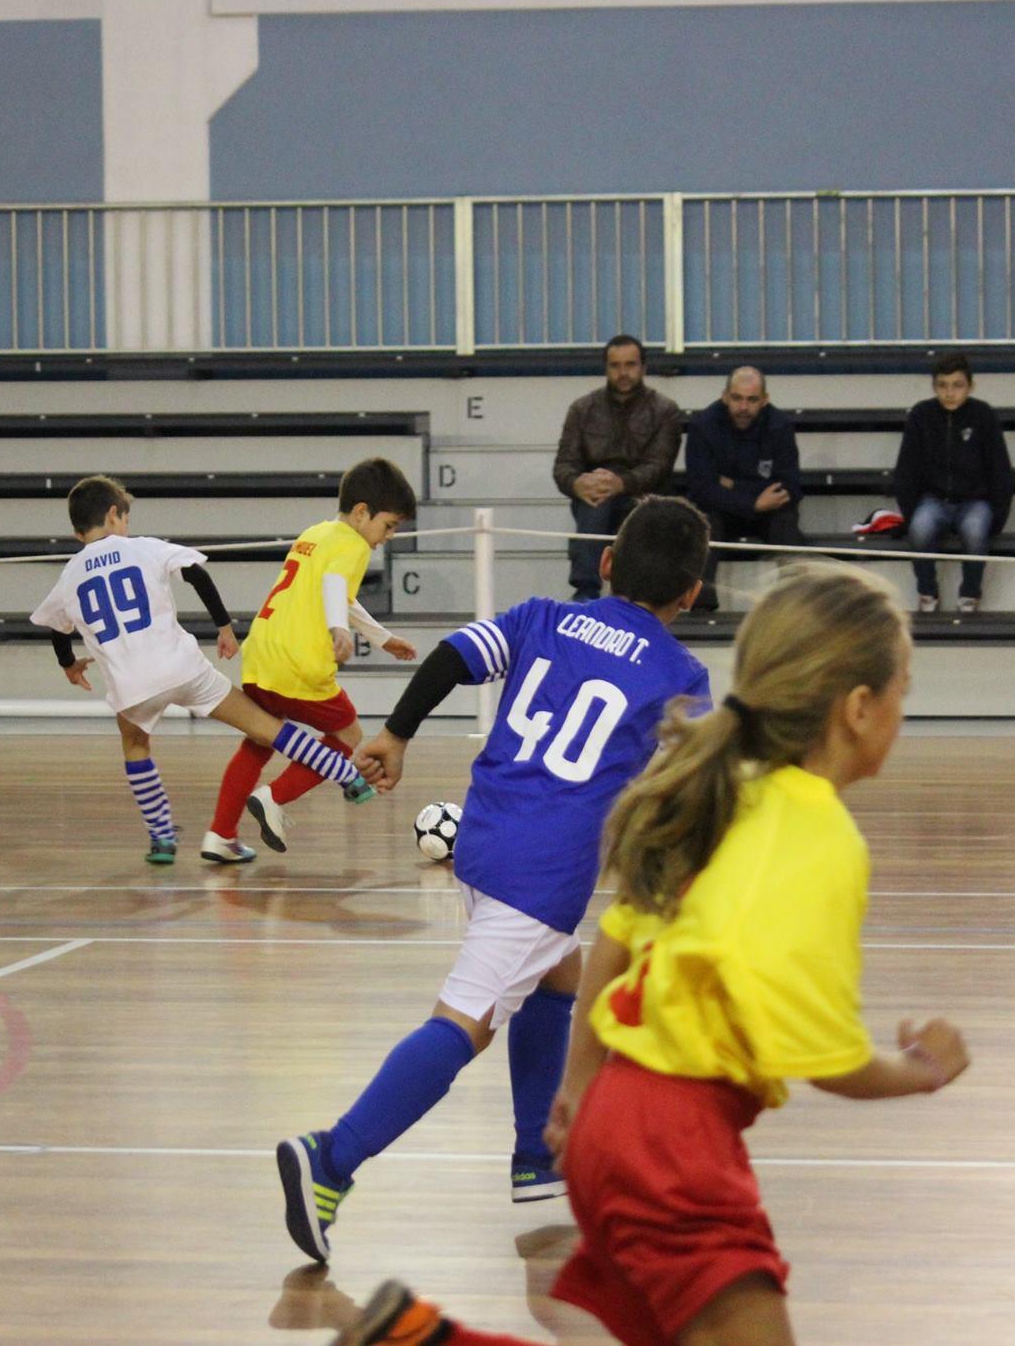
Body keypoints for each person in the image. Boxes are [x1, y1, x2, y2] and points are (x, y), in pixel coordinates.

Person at [328, 562, 971, 1346]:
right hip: (677, 1147)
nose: (906, 707)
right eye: (905, 686)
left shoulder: (717, 786)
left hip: (610, 1123)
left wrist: (579, 1086)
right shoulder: (823, 840)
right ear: (860, 707)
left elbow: (615, 940)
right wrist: (922, 1071)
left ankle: (423, 1337)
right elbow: (823, 1056)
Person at [276, 497, 712, 1266]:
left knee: (557, 976)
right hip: (543, 875)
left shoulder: (542, 614)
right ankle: (331, 1158)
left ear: (606, 561)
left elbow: (450, 655)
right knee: (465, 1022)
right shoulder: (679, 672)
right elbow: (693, 785)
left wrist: (396, 733)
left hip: (484, 837)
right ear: (691, 594)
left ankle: (537, 1158)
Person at [30, 477, 380, 864]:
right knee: (265, 728)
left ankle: (162, 839)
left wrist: (69, 665)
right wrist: (224, 626)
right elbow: (196, 572)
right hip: (182, 669)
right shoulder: (143, 548)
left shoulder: (70, 575)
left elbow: (55, 627)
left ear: (77, 530)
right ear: (114, 515)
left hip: (131, 685)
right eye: (125, 518)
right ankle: (345, 774)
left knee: (135, 747)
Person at [203, 457, 418, 864]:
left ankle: (220, 834)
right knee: (348, 736)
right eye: (388, 525)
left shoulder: (315, 534)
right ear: (361, 513)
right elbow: (336, 587)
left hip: (261, 655)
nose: (388, 536)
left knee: (258, 742)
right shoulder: (354, 544)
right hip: (299, 663)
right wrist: (338, 629)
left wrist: (383, 638)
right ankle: (273, 798)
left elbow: (336, 595)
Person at [552, 334, 683, 602]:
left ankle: (637, 597)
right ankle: (586, 594)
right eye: (615, 365)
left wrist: (620, 483)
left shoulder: (665, 410)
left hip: (646, 495)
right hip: (596, 495)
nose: (623, 373)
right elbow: (564, 466)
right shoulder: (581, 409)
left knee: (615, 502)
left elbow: (659, 467)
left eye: (630, 365)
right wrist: (578, 483)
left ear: (643, 368)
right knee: (594, 500)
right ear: (606, 369)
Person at [892, 352, 1013, 613]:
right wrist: (911, 512)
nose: (949, 393)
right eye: (942, 386)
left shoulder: (984, 415)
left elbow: (1000, 469)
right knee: (920, 529)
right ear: (934, 386)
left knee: (975, 531)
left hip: (975, 501)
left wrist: (998, 517)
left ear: (970, 386)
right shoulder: (920, 415)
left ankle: (970, 593)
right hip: (933, 499)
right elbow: (906, 469)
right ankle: (927, 591)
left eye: (957, 385)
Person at [681, 367, 802, 614]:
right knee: (703, 523)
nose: (743, 407)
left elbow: (789, 486)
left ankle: (794, 608)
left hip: (769, 513)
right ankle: (701, 609)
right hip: (721, 512)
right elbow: (701, 488)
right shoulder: (703, 426)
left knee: (786, 525)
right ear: (725, 396)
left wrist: (731, 484)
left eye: (752, 399)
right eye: (737, 398)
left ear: (765, 400)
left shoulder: (780, 426)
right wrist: (752, 502)